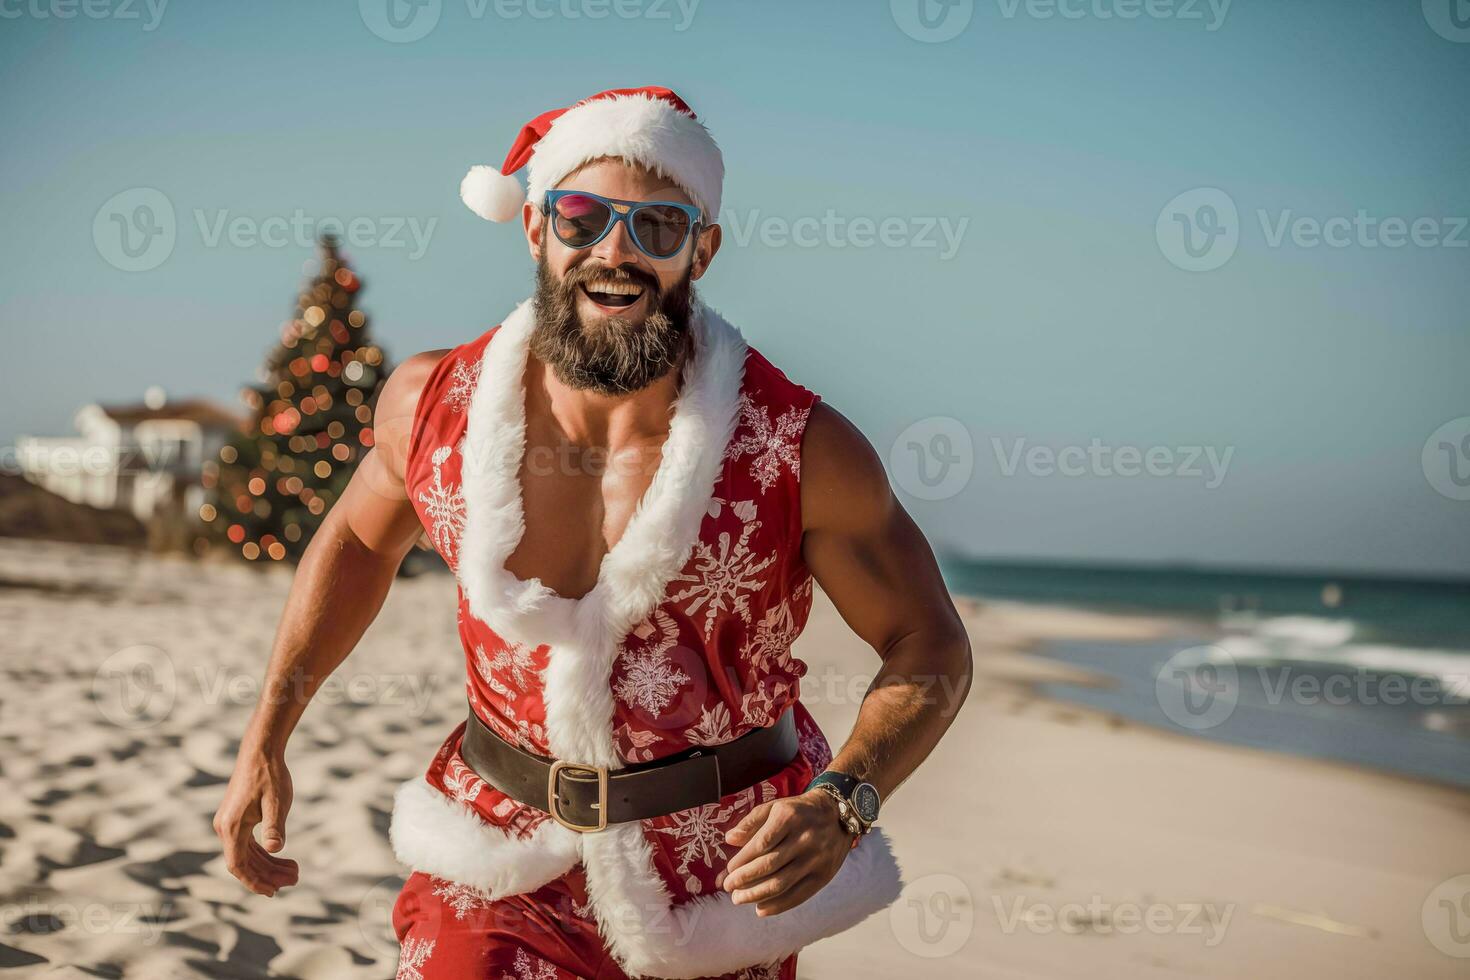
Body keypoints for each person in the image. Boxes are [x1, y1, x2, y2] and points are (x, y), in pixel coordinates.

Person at [214, 86, 972, 980]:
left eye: (657, 227)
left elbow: (930, 647)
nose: (615, 251)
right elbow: (357, 543)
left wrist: (844, 799)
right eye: (582, 218)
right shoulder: (431, 410)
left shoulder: (797, 450)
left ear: (703, 249)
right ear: (536, 229)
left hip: (721, 883)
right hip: (497, 856)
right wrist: (268, 729)